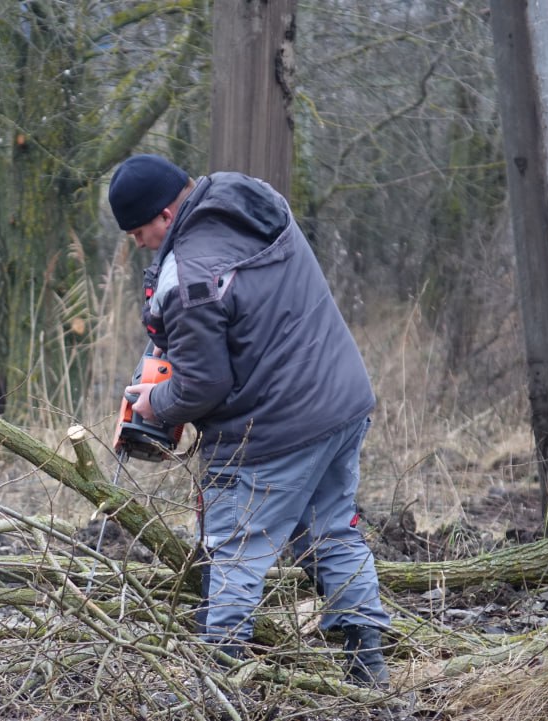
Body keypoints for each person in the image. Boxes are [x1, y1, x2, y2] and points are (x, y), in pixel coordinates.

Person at [107, 153, 391, 688]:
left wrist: (154, 406)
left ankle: (220, 677)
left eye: (140, 232)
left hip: (275, 427)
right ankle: (368, 665)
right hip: (341, 402)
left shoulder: (187, 275)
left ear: (165, 214)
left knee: (236, 547)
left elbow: (202, 385)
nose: (140, 244)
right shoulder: (255, 204)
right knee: (332, 532)